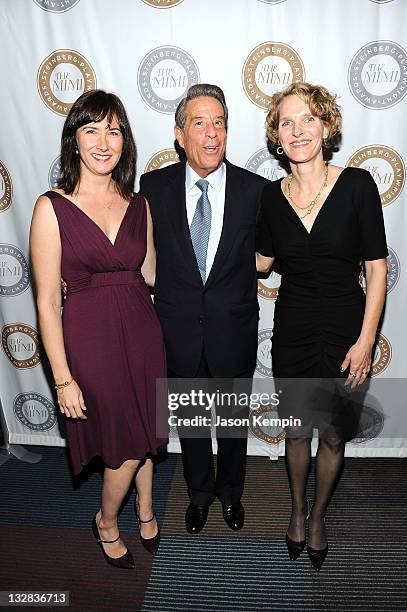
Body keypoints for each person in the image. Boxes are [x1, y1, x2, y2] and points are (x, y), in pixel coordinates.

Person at [30, 90, 166, 568]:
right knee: (124, 441)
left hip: (143, 330)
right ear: (75, 140)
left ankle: (146, 510)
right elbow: (47, 302)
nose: (103, 142)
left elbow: (151, 273)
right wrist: (63, 377)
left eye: (114, 131)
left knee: (148, 426)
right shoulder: (52, 207)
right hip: (91, 338)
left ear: (124, 140)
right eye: (92, 130)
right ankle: (106, 520)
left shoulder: (139, 203)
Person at [256, 82, 388, 571]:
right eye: (286, 122)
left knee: (332, 435)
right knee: (295, 431)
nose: (298, 130)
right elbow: (261, 261)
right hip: (291, 328)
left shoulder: (357, 185)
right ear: (276, 137)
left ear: (326, 127)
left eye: (308, 119)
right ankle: (295, 512)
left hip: (345, 331)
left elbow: (376, 268)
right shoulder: (270, 197)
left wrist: (366, 341)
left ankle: (318, 518)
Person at [139, 84, 268, 534]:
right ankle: (198, 495)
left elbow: (265, 257)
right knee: (192, 425)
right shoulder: (151, 187)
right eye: (200, 123)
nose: (212, 134)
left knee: (233, 425)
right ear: (179, 134)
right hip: (178, 332)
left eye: (220, 124)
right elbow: (146, 259)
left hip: (232, 331)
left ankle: (231, 494)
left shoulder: (256, 190)